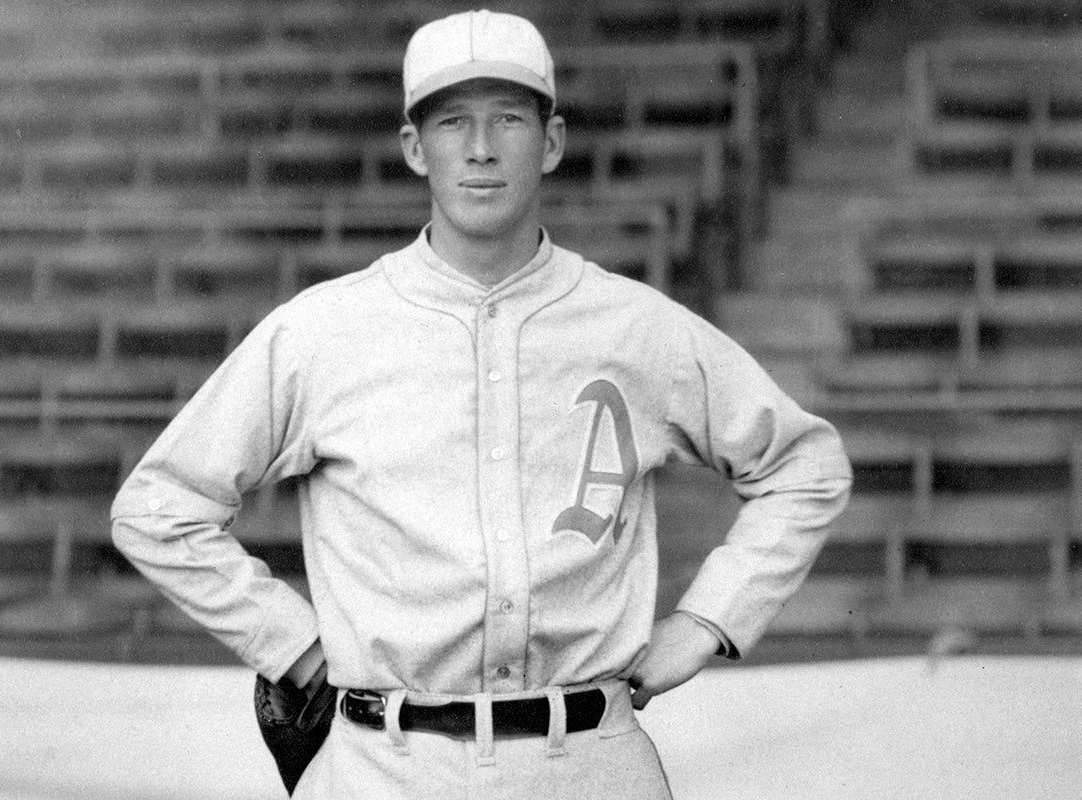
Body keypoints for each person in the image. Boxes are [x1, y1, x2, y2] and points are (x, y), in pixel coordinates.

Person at [111, 9, 852, 799]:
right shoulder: (322, 331)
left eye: (508, 118)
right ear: (413, 149)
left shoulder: (636, 327)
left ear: (554, 141)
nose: (481, 148)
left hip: (588, 757)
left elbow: (804, 467)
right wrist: (297, 645)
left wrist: (708, 622)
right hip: (384, 764)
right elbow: (157, 508)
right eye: (451, 121)